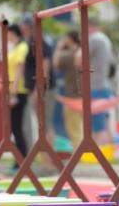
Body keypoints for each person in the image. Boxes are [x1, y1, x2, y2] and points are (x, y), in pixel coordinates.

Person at [19, 14, 56, 151]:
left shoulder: (37, 40)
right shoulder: (33, 40)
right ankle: (47, 159)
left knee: (45, 123)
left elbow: (45, 62)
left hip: (43, 88)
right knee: (43, 123)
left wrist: (40, 87)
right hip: (39, 87)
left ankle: (50, 160)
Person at [85, 16, 114, 148]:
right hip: (104, 84)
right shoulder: (105, 39)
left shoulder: (94, 39)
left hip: (96, 85)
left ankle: (97, 151)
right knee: (105, 121)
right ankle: (109, 150)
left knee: (98, 123)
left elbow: (79, 58)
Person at [7, 24, 30, 169]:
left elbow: (19, 71)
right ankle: (19, 158)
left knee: (16, 127)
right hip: (12, 91)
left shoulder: (22, 48)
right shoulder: (15, 48)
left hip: (19, 91)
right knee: (12, 127)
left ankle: (22, 159)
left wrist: (13, 94)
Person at [53, 29, 82, 145]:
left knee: (73, 126)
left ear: (70, 39)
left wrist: (59, 48)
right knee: (80, 125)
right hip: (82, 93)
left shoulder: (70, 54)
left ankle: (78, 152)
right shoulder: (81, 51)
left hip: (72, 95)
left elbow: (56, 64)